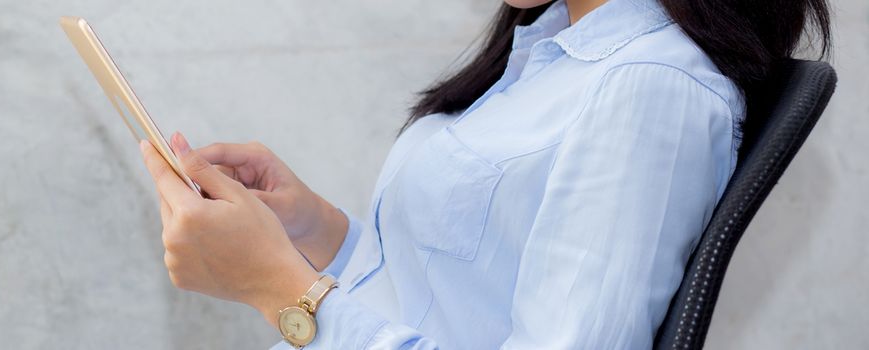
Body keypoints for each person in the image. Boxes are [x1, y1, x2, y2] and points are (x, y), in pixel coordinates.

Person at [137, 0, 831, 348]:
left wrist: (280, 290)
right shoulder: (546, 49)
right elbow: (461, 298)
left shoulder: (650, 86)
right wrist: (313, 230)